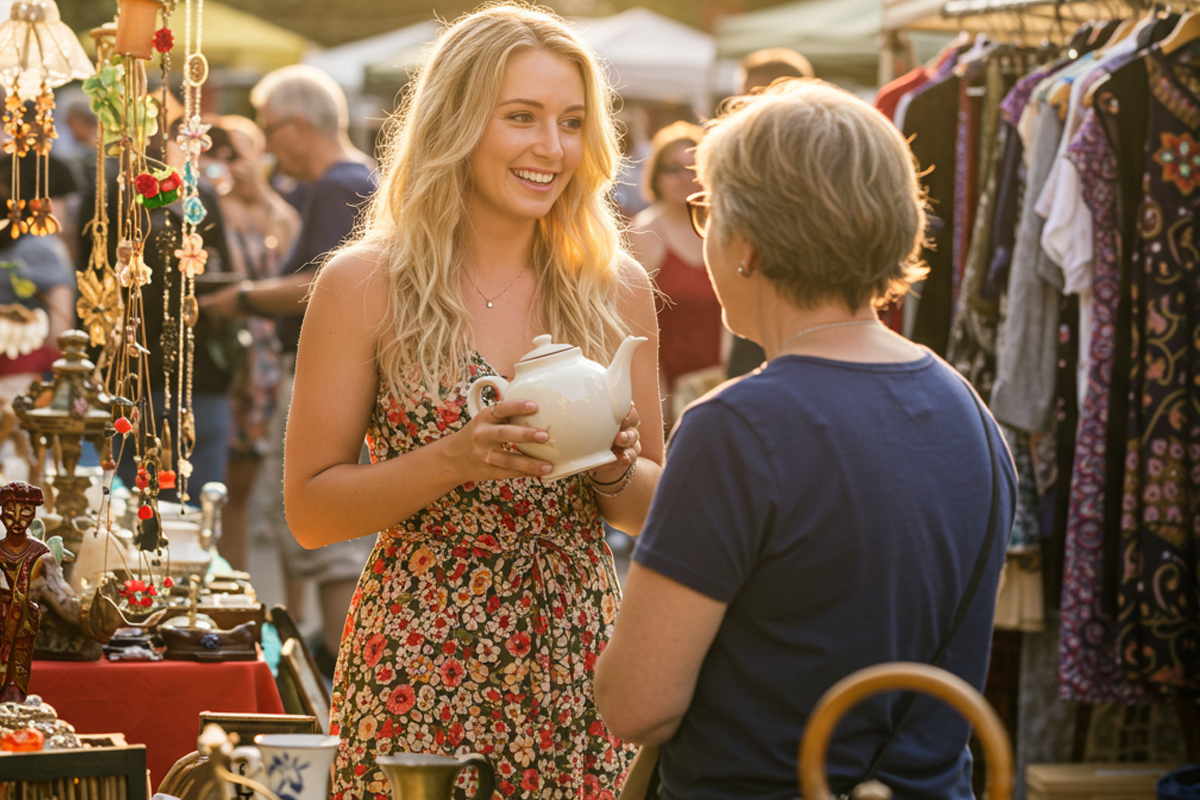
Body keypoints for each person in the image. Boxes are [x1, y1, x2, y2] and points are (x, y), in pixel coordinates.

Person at [595, 80, 1017, 800]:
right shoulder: (969, 413)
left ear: (748, 243)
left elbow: (636, 704)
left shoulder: (735, 429)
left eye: (708, 211)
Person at [283, 5, 663, 798]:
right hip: (419, 661)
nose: (552, 147)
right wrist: (454, 459)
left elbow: (648, 509)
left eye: (571, 122)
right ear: (454, 121)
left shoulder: (616, 287)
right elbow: (311, 513)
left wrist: (610, 470)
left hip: (577, 656)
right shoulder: (364, 284)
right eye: (521, 117)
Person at [201, 65, 374, 670]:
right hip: (346, 374)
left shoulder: (337, 184)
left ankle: (340, 667)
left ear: (299, 126)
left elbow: (320, 284)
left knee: (325, 534)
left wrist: (244, 298)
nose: (269, 146)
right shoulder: (357, 177)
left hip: (329, 377)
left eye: (270, 130)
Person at [201, 116, 300, 572]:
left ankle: (237, 581)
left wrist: (261, 193)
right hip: (222, 355)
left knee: (242, 490)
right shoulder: (210, 206)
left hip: (261, 358)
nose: (228, 164)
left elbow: (298, 256)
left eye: (239, 155)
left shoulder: (271, 208)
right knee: (211, 486)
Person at [725, 47, 815, 380]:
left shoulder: (812, 164)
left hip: (790, 320)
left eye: (747, 97)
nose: (737, 107)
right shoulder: (746, 154)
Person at [627, 121, 721, 424]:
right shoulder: (643, 233)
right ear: (656, 175)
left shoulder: (721, 230)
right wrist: (655, 393)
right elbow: (632, 324)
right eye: (673, 169)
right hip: (666, 389)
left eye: (693, 169)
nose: (684, 178)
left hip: (720, 384)